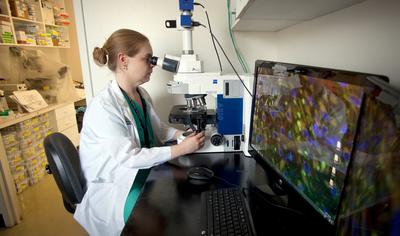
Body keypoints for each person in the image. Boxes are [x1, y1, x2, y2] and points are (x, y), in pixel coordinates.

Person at [74, 29, 205, 235]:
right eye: (147, 59)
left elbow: (155, 127)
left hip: (144, 172)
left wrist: (180, 136)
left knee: (189, 197)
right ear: (124, 60)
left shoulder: (140, 94)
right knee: (162, 225)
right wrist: (180, 149)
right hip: (118, 186)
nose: (153, 65)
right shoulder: (104, 107)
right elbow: (129, 157)